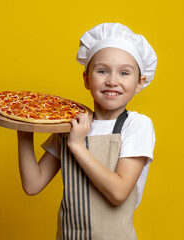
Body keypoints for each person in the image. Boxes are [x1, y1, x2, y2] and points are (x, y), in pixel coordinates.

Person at [17, 23, 157, 240]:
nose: (112, 81)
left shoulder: (137, 125)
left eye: (124, 73)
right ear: (86, 79)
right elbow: (33, 184)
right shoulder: (68, 124)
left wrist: (78, 146)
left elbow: (118, 193)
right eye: (102, 71)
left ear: (139, 83)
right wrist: (24, 128)